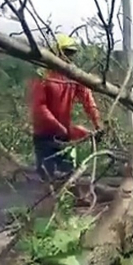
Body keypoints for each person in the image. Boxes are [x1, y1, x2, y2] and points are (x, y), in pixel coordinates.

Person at [28, 34, 103, 182]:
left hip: (64, 134)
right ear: (56, 52)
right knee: (48, 177)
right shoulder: (42, 76)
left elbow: (88, 100)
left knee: (68, 174)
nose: (68, 57)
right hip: (44, 135)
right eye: (65, 52)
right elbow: (39, 108)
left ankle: (70, 198)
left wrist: (97, 123)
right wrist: (59, 127)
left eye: (71, 53)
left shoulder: (73, 75)